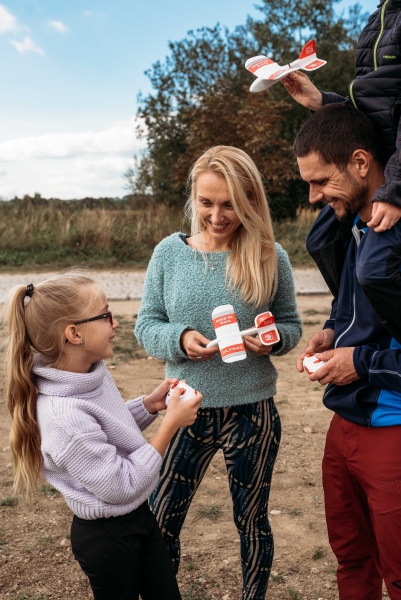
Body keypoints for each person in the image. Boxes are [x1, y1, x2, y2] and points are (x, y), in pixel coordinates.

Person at [134, 145, 302, 600]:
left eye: (229, 204)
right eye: (206, 202)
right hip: (184, 408)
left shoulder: (270, 255)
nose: (216, 215)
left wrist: (273, 340)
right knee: (160, 522)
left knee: (252, 522)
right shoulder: (169, 254)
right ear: (193, 198)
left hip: (253, 411)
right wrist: (179, 338)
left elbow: (290, 324)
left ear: (250, 200)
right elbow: (146, 325)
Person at [4, 271, 202, 600]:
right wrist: (170, 425)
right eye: (106, 315)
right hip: (107, 538)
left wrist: (150, 406)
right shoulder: (63, 417)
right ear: (74, 334)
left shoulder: (88, 374)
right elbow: (120, 485)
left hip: (139, 517)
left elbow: (107, 429)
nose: (116, 323)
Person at [294, 103, 401, 600]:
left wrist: (357, 362)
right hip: (345, 425)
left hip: (393, 428)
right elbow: (352, 306)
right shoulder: (355, 228)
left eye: (321, 181)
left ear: (361, 162)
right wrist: (332, 330)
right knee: (352, 560)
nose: (313, 196)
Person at [282, 0, 401, 232]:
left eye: (320, 182)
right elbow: (376, 111)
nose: (312, 197)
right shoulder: (375, 22)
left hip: (391, 191)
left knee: (374, 256)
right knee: (320, 238)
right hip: (383, 180)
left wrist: (395, 191)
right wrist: (322, 102)